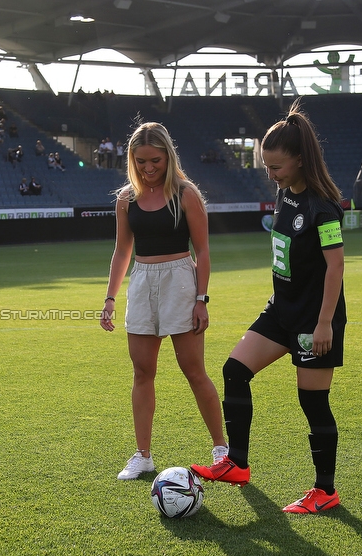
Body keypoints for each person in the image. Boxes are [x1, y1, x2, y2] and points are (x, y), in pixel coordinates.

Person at [191, 103, 347, 515]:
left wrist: (325, 323)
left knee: (313, 403)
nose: (270, 175)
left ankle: (325, 491)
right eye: (267, 167)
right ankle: (237, 464)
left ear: (299, 160)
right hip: (281, 310)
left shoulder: (323, 207)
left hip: (315, 319)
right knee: (234, 370)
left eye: (277, 167)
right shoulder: (284, 194)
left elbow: (336, 266)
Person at [100, 122, 227, 480]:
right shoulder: (125, 199)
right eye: (140, 161)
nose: (148, 167)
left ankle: (221, 449)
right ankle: (143, 455)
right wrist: (110, 298)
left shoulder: (186, 194)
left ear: (168, 156)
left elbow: (202, 250)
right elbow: (122, 250)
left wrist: (201, 299)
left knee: (193, 370)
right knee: (142, 372)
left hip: (181, 282)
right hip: (141, 284)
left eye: (155, 160)